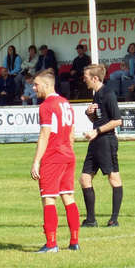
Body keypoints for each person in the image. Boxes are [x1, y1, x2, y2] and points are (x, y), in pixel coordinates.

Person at [30, 69, 81, 252]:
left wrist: (36, 161)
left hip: (53, 156)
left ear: (46, 85)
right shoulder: (65, 103)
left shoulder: (46, 106)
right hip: (68, 154)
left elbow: (44, 135)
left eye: (36, 84)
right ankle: (74, 241)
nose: (33, 88)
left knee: (48, 198)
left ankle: (51, 244)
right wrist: (69, 150)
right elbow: (72, 131)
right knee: (68, 196)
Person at [80, 64, 124, 227]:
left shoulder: (108, 94)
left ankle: (114, 219)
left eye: (86, 77)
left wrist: (97, 131)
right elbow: (98, 118)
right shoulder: (96, 95)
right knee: (85, 178)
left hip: (106, 141)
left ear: (95, 78)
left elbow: (117, 120)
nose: (84, 79)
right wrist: (89, 114)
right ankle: (91, 220)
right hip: (96, 141)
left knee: (113, 177)